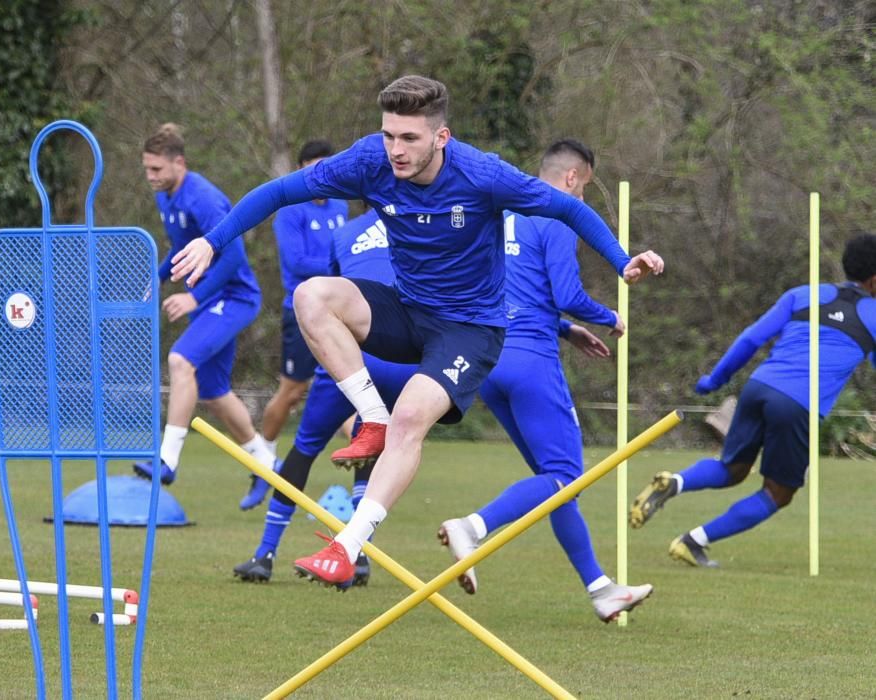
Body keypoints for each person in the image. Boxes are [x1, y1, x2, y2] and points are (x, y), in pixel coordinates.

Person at [169, 75, 664, 587]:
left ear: (441, 138)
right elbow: (277, 193)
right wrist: (212, 241)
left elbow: (564, 206)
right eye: (389, 135)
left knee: (411, 416)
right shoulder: (369, 162)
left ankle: (347, 545)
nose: (396, 150)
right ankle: (370, 416)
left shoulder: (483, 175)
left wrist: (623, 260)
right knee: (311, 295)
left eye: (409, 139)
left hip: (469, 330)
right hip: (407, 310)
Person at [437, 139, 653, 623]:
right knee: (563, 477)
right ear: (573, 178)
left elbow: (508, 290)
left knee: (555, 485)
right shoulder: (556, 214)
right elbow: (568, 292)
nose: (585, 200)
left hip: (488, 361)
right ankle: (472, 526)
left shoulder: (504, 210)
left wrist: (568, 330)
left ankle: (601, 589)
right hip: (531, 360)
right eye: (588, 187)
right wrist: (608, 317)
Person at [629, 233, 876, 567]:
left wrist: (715, 379)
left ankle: (675, 482)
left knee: (731, 469)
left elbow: (751, 338)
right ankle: (692, 541)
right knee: (778, 493)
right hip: (798, 405)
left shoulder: (803, 294)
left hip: (759, 387)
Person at [234, 209, 419, 586]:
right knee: (374, 444)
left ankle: (265, 554)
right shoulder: (420, 227)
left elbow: (333, 297)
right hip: (401, 358)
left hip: (350, 359)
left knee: (304, 448)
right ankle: (359, 553)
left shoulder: (345, 232)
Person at [133, 123, 276, 487]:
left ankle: (166, 460)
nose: (150, 177)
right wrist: (157, 278)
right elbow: (180, 248)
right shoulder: (165, 195)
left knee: (180, 360)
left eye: (156, 170)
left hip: (235, 298)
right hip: (210, 301)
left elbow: (233, 258)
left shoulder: (203, 198)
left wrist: (192, 296)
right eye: (147, 168)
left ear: (179, 163)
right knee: (213, 391)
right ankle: (266, 463)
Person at [239, 141, 350, 508]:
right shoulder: (290, 211)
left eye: (327, 167)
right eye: (314, 168)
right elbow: (299, 262)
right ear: (303, 171)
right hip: (301, 311)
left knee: (347, 386)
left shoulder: (341, 205)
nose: (322, 176)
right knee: (291, 391)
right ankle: (262, 464)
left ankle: (365, 482)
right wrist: (342, 267)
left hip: (338, 310)